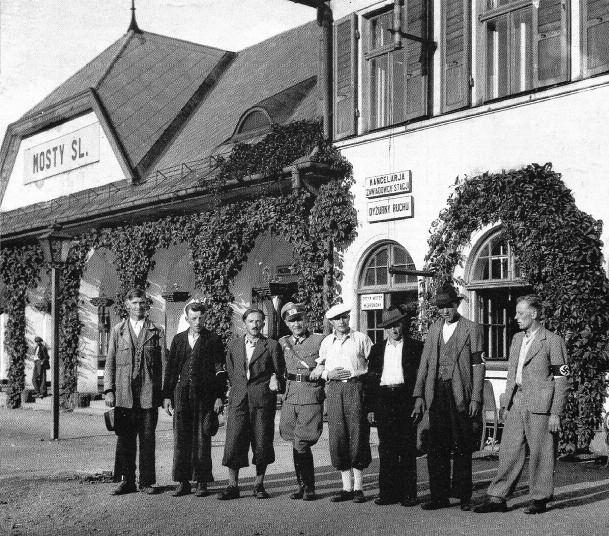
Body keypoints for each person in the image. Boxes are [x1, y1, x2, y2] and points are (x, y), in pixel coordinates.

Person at [474, 294, 570, 515]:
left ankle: (540, 497)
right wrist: (506, 405)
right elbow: (511, 375)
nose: (515, 317)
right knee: (508, 450)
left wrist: (556, 412)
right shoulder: (517, 338)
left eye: (520, 313)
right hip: (517, 401)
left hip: (541, 405)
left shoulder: (553, 341)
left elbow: (561, 380)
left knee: (541, 452)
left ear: (534, 314)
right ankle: (497, 498)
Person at [411, 284, 485, 511]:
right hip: (436, 394)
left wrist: (475, 398)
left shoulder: (471, 329)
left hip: (461, 394)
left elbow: (478, 366)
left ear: (457, 305)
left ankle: (464, 496)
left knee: (462, 446)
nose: (445, 311)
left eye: (448, 306)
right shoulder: (434, 329)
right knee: (436, 447)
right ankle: (439, 496)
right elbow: (424, 364)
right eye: (441, 308)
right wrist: (419, 394)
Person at [104, 288, 166, 496]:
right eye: (134, 303)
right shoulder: (118, 331)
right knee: (125, 439)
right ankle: (126, 480)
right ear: (127, 306)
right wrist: (108, 390)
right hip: (124, 394)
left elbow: (164, 365)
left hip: (148, 394)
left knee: (148, 438)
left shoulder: (157, 331)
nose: (138, 307)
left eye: (141, 303)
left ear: (146, 305)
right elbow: (110, 362)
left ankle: (147, 481)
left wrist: (165, 394)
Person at [219, 308, 285, 500]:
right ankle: (233, 485)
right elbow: (231, 371)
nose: (255, 325)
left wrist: (273, 379)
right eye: (251, 321)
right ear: (244, 323)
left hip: (262, 400)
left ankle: (259, 485)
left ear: (263, 323)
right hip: (239, 399)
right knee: (234, 440)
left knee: (262, 441)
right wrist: (239, 389)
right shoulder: (234, 345)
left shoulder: (271, 345)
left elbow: (279, 371)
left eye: (258, 321)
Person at [162, 301, 226, 497]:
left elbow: (220, 370)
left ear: (205, 318)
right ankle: (182, 481)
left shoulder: (213, 339)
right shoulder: (178, 340)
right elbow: (171, 369)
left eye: (201, 318)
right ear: (187, 318)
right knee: (181, 438)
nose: (198, 321)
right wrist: (166, 396)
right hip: (181, 394)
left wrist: (219, 397)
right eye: (194, 318)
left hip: (205, 395)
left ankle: (202, 481)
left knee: (202, 437)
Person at [365, 306, 423, 506]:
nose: (394, 330)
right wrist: (371, 407)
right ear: (385, 329)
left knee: (406, 447)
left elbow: (420, 379)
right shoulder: (377, 349)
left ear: (403, 324)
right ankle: (388, 493)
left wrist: (418, 402)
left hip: (405, 398)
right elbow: (371, 380)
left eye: (397, 325)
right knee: (387, 448)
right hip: (384, 399)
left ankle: (409, 493)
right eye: (389, 327)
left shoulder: (416, 347)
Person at [316, 302, 373, 503]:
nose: (342, 321)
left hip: (355, 388)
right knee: (338, 437)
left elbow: (372, 368)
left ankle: (358, 488)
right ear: (331, 322)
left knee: (357, 434)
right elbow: (318, 370)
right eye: (337, 318)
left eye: (345, 317)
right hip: (334, 390)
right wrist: (326, 374)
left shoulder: (361, 339)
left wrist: (360, 376)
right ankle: (346, 487)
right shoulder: (326, 343)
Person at [278, 302, 326, 501]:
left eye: (299, 319)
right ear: (287, 324)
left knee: (303, 440)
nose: (296, 324)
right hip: (290, 396)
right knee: (292, 437)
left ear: (306, 319)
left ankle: (309, 487)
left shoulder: (320, 340)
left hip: (310, 393)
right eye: (292, 321)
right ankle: (301, 485)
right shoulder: (283, 342)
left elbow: (330, 359)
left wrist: (322, 368)